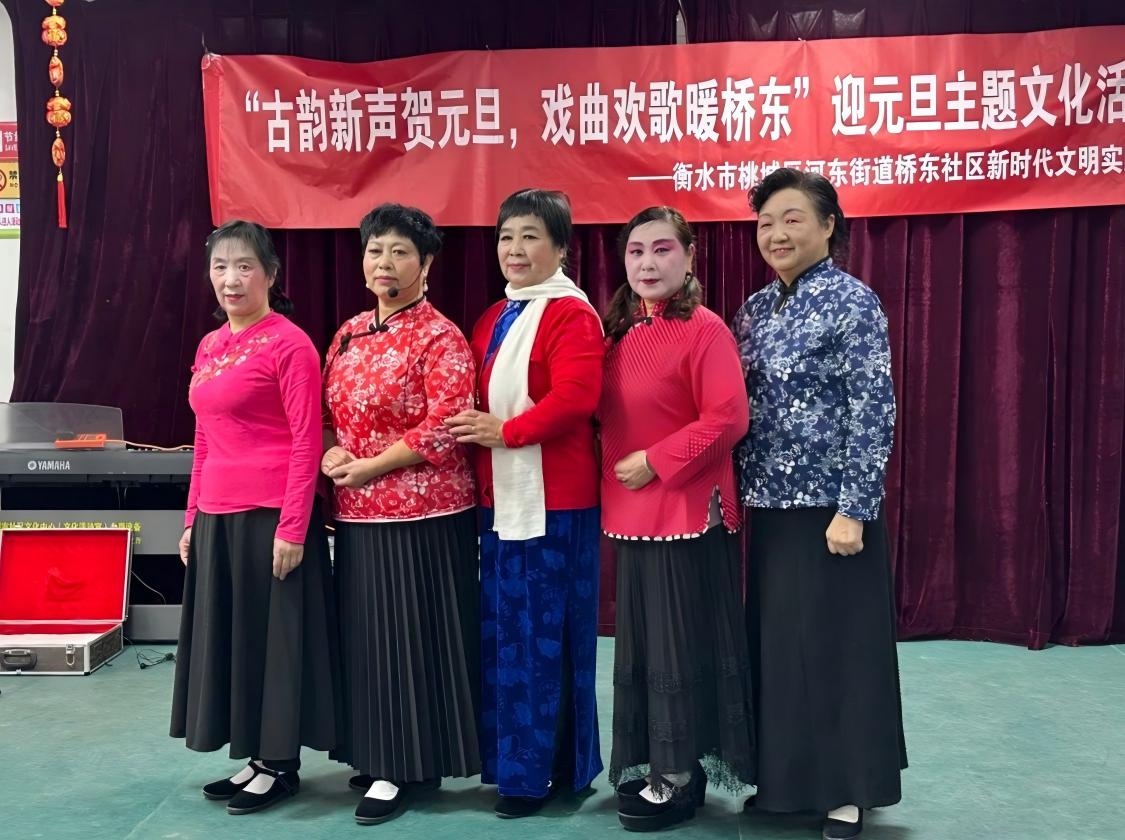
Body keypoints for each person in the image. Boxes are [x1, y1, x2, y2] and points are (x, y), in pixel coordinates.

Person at [732, 168, 907, 840]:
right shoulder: (753, 310)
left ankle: (845, 791)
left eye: (792, 219)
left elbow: (873, 409)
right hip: (770, 508)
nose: (776, 234)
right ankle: (785, 784)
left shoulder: (853, 302)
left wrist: (855, 508)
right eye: (765, 222)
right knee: (780, 652)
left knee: (839, 653)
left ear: (828, 226)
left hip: (832, 512)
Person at [171, 219, 339, 816]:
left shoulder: (289, 344)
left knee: (274, 645)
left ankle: (280, 764)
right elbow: (204, 438)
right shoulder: (210, 345)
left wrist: (294, 526)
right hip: (218, 517)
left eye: (244, 266)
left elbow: (307, 440)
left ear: (270, 274)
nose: (231, 279)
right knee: (237, 642)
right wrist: (192, 517)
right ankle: (256, 756)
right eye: (220, 267)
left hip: (271, 516)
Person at [446, 188, 604, 818]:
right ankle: (515, 766)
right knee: (506, 635)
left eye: (531, 236)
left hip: (555, 504)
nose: (514, 249)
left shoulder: (572, 315)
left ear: (561, 247)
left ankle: (544, 773)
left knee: (546, 636)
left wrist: (505, 432)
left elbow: (576, 398)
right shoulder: (493, 317)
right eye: (506, 236)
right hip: (500, 502)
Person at [321, 203, 481, 825]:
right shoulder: (348, 332)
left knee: (410, 641)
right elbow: (330, 414)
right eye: (374, 250)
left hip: (424, 515)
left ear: (426, 262)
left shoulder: (441, 336)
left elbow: (445, 425)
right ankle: (377, 752)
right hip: (357, 514)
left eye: (399, 251)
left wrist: (370, 466)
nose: (384, 263)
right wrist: (336, 453)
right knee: (368, 640)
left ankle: (405, 765)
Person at [598, 206, 755, 832]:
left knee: (678, 647)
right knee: (645, 648)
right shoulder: (618, 332)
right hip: (629, 510)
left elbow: (729, 418)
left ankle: (680, 779)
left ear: (689, 257)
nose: (647, 263)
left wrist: (656, 461)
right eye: (636, 251)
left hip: (685, 507)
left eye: (662, 249)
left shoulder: (705, 330)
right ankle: (661, 765)